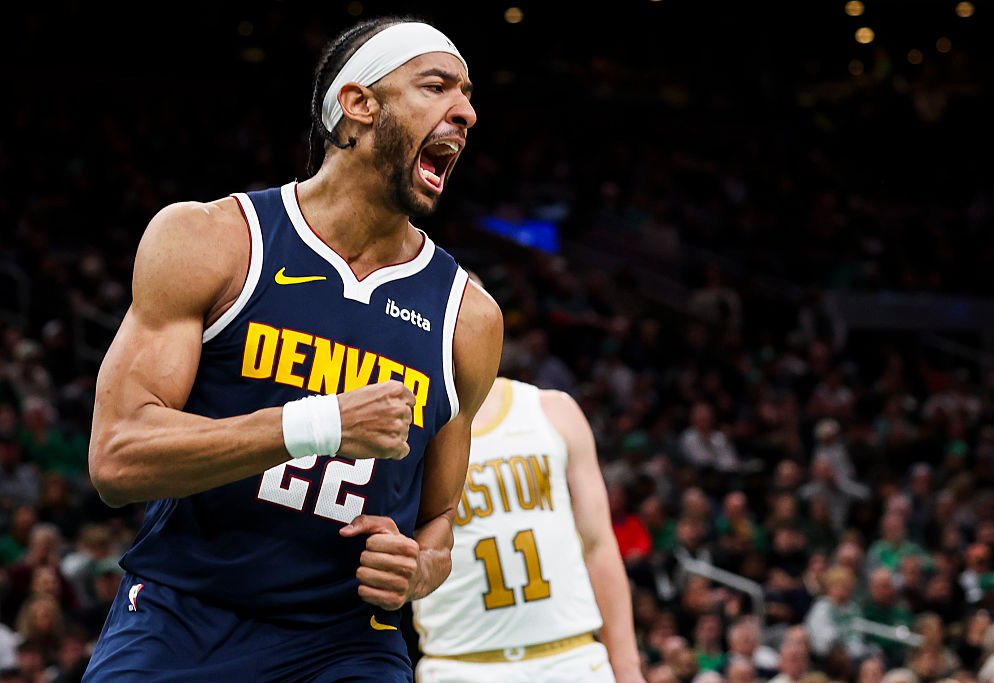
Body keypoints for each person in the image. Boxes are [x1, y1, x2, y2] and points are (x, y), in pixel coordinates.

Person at [83, 15, 503, 682]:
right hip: (184, 617)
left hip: (347, 644)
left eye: (470, 94)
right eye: (437, 87)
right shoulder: (213, 240)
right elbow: (117, 456)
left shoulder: (468, 316)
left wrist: (417, 569)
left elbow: (439, 519)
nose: (468, 112)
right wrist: (322, 424)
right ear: (359, 106)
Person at [412, 377, 644, 682]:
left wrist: (627, 668)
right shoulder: (408, 422)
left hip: (572, 657)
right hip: (460, 663)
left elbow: (598, 545)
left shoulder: (553, 410)